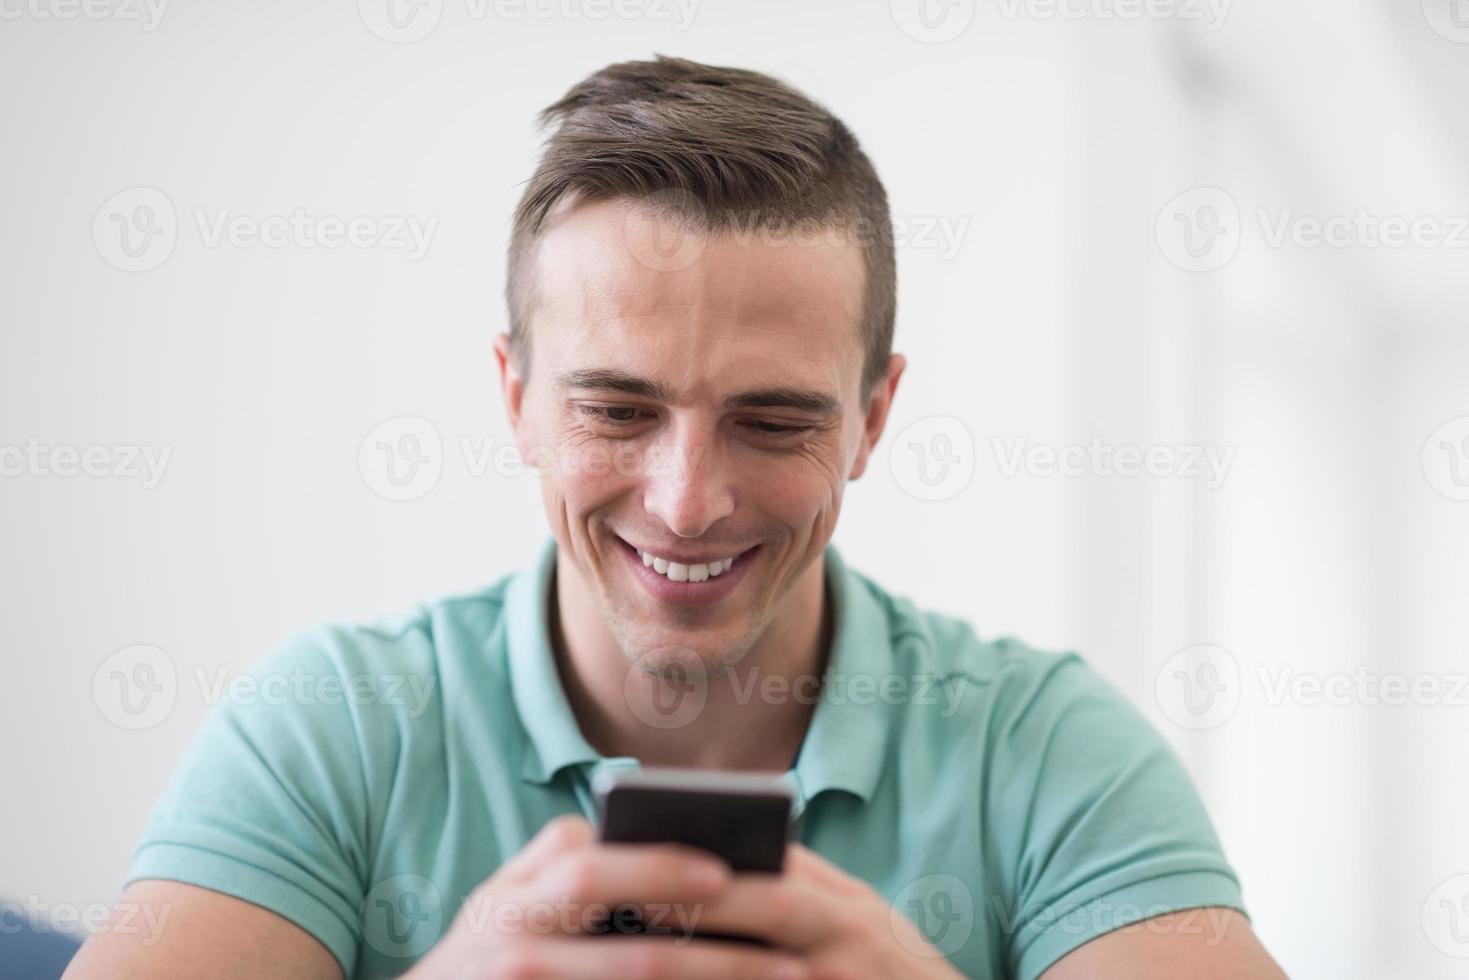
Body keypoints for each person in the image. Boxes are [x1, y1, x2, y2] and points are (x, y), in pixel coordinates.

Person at [66, 56, 1287, 979]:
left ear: (872, 417)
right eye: (615, 409)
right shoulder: (332, 724)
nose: (687, 499)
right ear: (516, 397)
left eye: (771, 420)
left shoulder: (1047, 747)